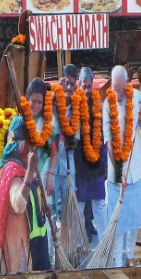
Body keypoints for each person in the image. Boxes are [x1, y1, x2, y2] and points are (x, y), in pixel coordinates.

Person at [1, 78, 57, 270]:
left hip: (36, 179)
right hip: (18, 178)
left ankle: (42, 267)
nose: (35, 105)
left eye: (39, 102)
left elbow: (53, 151)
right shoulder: (18, 122)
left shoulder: (46, 123)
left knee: (40, 221)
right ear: (26, 99)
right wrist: (26, 150)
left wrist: (47, 173)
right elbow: (11, 150)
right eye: (32, 100)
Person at [102, 65, 141, 267]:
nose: (119, 94)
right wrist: (120, 172)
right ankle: (116, 260)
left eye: (122, 89)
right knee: (118, 221)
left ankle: (130, 256)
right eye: (115, 89)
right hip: (117, 173)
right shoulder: (107, 104)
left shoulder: (138, 98)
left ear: (128, 84)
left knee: (134, 220)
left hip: (137, 170)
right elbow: (108, 142)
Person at [0, 118, 47, 273]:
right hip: (16, 245)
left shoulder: (22, 166)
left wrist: (43, 206)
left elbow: (31, 196)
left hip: (28, 240)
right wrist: (30, 171)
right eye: (31, 143)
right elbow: (18, 205)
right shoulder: (12, 169)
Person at [74, 67, 108, 245]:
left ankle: (103, 244)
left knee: (99, 204)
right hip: (79, 163)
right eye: (84, 86)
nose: (87, 90)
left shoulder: (99, 107)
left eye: (89, 86)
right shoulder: (73, 105)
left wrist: (104, 162)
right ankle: (79, 246)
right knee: (78, 206)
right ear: (78, 84)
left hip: (95, 163)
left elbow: (104, 138)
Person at [52, 64, 79, 217]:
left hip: (69, 166)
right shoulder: (52, 104)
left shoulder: (77, 107)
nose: (68, 87)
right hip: (52, 168)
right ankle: (52, 241)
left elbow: (76, 141)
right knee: (51, 208)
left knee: (69, 210)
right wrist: (57, 92)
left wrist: (68, 136)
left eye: (72, 84)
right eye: (66, 83)